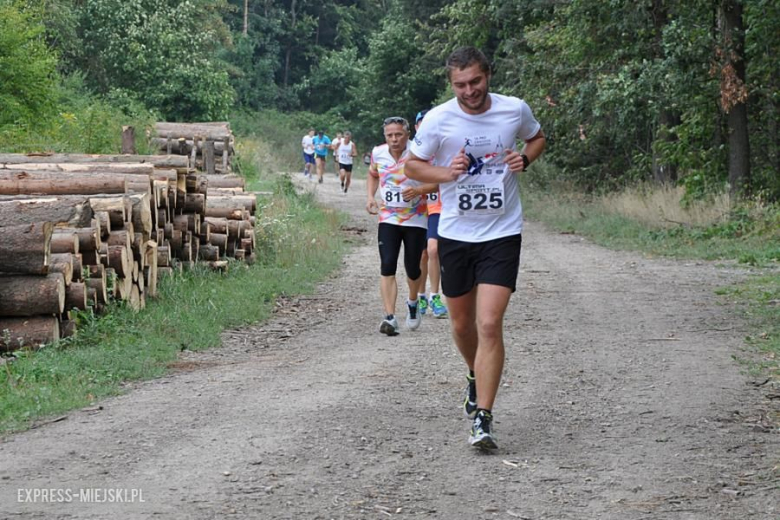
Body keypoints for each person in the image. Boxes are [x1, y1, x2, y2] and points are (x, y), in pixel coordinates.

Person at [406, 47, 546, 450]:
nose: (469, 91)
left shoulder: (513, 109)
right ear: (451, 84)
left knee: (488, 323)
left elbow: (537, 138)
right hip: (455, 234)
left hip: (502, 233)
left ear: (488, 75)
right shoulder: (438, 119)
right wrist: (445, 173)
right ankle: (474, 372)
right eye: (460, 85)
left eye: (476, 81)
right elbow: (414, 166)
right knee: (462, 325)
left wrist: (525, 158)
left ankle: (483, 417)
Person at [366, 117, 428, 336]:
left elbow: (437, 180)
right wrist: (370, 197)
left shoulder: (419, 153)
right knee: (387, 264)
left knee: (413, 268)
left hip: (416, 219)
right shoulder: (378, 152)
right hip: (388, 219)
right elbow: (373, 174)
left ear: (407, 134)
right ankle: (390, 317)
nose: (394, 139)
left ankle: (412, 302)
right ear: (385, 137)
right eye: (390, 135)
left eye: (398, 134)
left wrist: (419, 191)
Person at [413, 109, 448, 319]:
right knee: (421, 254)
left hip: (437, 207)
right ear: (417, 127)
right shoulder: (410, 151)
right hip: (415, 210)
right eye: (421, 123)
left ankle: (435, 296)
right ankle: (420, 296)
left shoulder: (444, 149)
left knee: (433, 250)